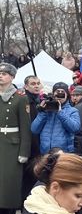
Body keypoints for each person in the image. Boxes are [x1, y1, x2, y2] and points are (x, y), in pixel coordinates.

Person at [0, 63, 31, 214]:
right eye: (0, 73)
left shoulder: (20, 98)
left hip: (13, 145)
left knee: (10, 185)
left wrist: (24, 151)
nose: (1, 76)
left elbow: (25, 127)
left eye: (5, 73)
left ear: (12, 77)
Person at [31, 82, 80, 154]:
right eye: (57, 92)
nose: (60, 95)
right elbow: (34, 130)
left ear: (67, 95)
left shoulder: (72, 111)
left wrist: (60, 113)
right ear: (53, 94)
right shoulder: (46, 110)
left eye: (62, 93)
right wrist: (42, 112)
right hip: (45, 152)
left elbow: (75, 128)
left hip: (63, 153)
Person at [21, 75, 42, 203]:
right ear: (26, 86)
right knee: (27, 180)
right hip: (29, 147)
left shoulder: (39, 101)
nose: (36, 86)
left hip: (38, 145)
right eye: (33, 83)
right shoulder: (25, 101)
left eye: (38, 83)